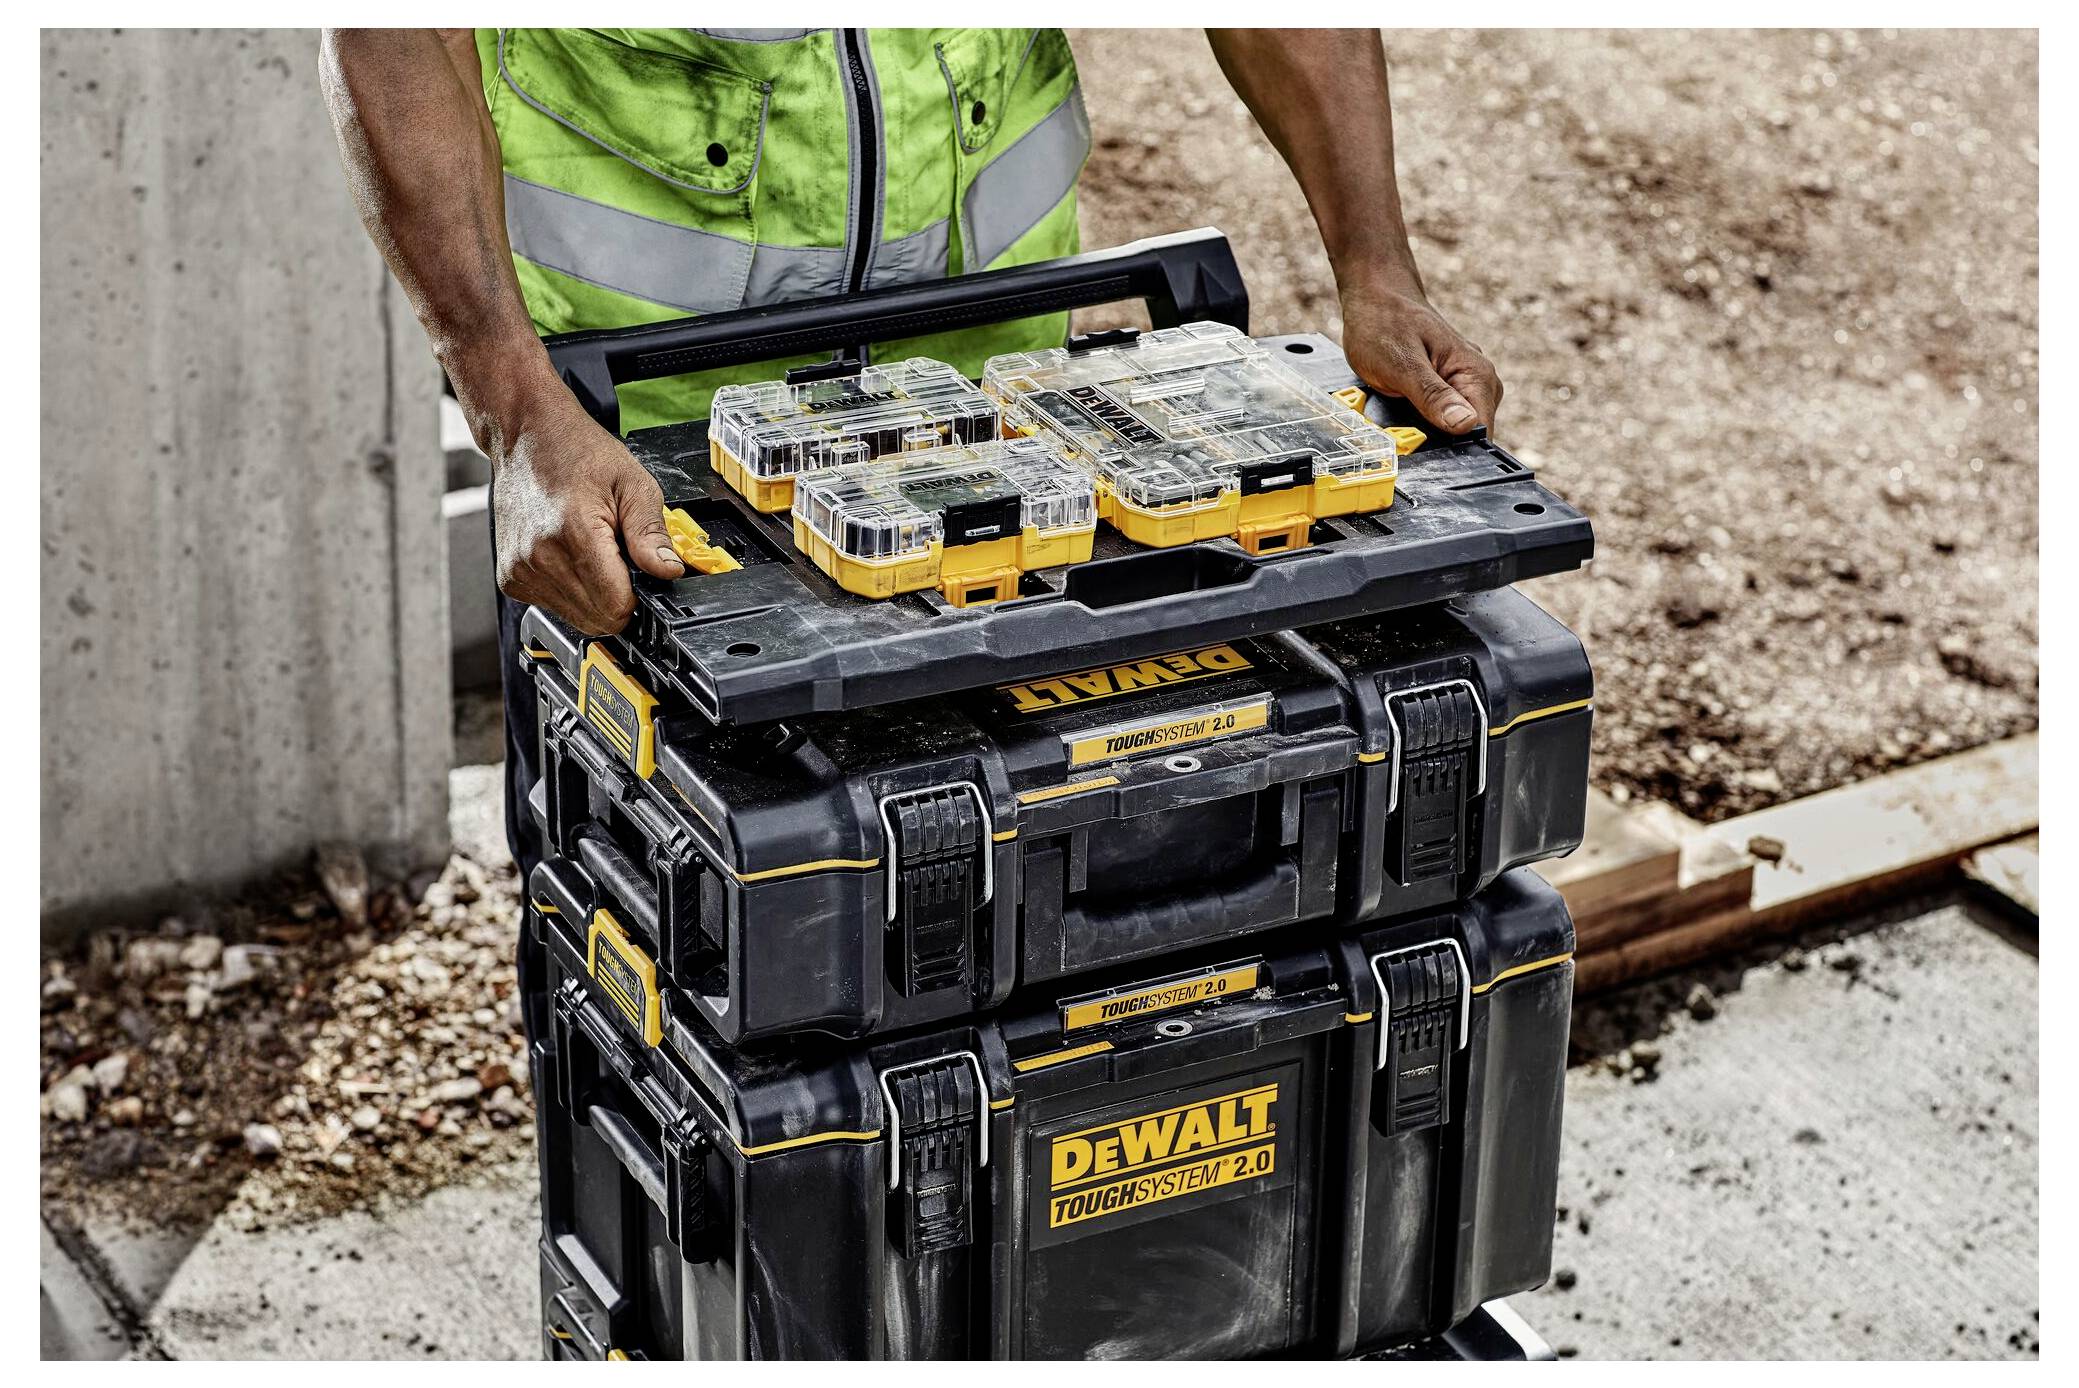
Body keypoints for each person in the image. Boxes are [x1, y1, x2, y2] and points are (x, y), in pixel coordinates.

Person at [321, 27, 1503, 883]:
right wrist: (520, 411)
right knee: (703, 953)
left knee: (1060, 901)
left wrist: (1377, 264)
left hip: (1021, 446)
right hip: (665, 480)